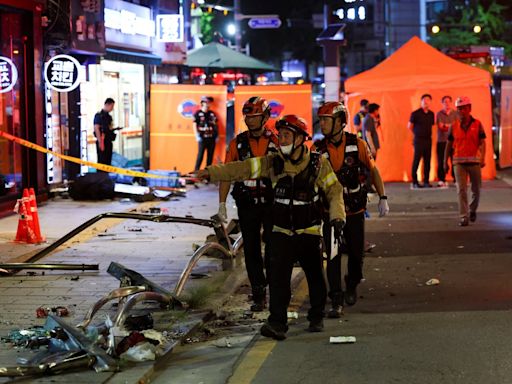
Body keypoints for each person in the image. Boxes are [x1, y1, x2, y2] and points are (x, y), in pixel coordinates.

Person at [197, 114, 345, 340]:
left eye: (287, 135)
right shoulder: (272, 162)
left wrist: (337, 217)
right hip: (281, 234)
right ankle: (277, 323)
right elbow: (242, 168)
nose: (282, 139)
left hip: (309, 234)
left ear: (300, 139)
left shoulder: (318, 164)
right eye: (281, 135)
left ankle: (316, 315)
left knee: (315, 278)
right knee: (278, 281)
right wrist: (211, 172)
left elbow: (335, 192)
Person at [313, 102, 389, 316]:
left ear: (340, 122)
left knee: (356, 254)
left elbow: (373, 171)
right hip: (330, 213)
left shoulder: (359, 145)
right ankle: (336, 297)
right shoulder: (317, 149)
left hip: (355, 210)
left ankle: (352, 284)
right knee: (333, 255)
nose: (323, 124)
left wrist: (383, 196)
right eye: (322, 120)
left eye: (327, 120)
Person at [218, 97, 279, 312]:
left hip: (273, 204)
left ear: (264, 117)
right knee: (251, 250)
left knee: (274, 248)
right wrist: (222, 203)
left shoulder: (278, 141)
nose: (250, 120)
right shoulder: (237, 143)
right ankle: (259, 292)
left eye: (254, 116)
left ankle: (275, 288)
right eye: (247, 116)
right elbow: (227, 173)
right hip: (247, 204)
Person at [444, 96, 486, 227]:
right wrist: (445, 161)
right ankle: (463, 216)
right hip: (459, 163)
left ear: (469, 109)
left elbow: (482, 142)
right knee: (461, 189)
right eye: (458, 109)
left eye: (463, 108)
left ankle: (472, 210)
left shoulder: (478, 124)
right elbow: (448, 145)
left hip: (474, 162)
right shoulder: (454, 126)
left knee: (476, 190)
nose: (461, 111)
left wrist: (483, 158)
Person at [408, 94, 435, 188]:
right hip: (418, 140)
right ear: (421, 101)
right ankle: (415, 182)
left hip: (428, 140)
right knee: (416, 161)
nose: (426, 102)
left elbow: (431, 125)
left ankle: (426, 181)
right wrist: (416, 134)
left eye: (428, 100)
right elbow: (409, 127)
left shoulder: (431, 114)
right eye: (424, 100)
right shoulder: (415, 113)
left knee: (427, 161)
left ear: (430, 102)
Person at [436, 96, 458, 187]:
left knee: (455, 161)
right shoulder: (439, 114)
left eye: (448, 101)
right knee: (441, 161)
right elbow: (441, 127)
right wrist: (450, 126)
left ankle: (456, 179)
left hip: (453, 141)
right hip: (441, 141)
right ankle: (441, 179)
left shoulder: (456, 113)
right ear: (442, 103)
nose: (447, 103)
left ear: (451, 103)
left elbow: (456, 126)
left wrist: (447, 125)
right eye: (445, 102)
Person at [193, 96, 218, 170]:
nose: (208, 104)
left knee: (210, 156)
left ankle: (207, 173)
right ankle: (196, 171)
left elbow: (215, 125)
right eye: (206, 102)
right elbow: (194, 125)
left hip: (211, 138)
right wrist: (196, 135)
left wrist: (217, 135)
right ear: (202, 103)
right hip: (202, 138)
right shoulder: (198, 113)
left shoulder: (212, 114)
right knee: (200, 155)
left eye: (209, 102)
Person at [94, 98, 116, 167]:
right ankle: (101, 176)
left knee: (108, 160)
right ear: (107, 105)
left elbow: (110, 127)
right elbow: (96, 128)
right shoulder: (99, 116)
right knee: (102, 160)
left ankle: (107, 176)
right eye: (111, 106)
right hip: (102, 140)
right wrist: (100, 141)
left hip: (108, 140)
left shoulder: (109, 117)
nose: (112, 109)